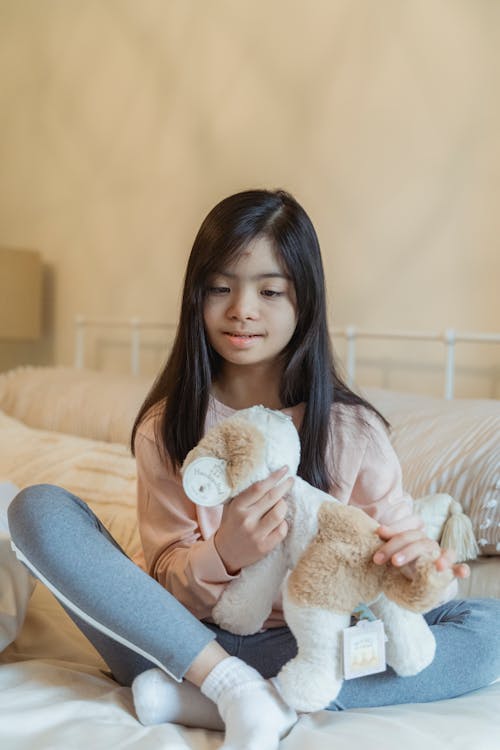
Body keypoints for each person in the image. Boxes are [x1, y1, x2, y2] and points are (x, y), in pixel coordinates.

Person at [7, 189, 498, 748]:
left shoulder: (353, 433)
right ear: (196, 297)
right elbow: (163, 581)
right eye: (220, 287)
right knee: (37, 507)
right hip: (178, 645)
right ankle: (228, 685)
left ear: (304, 303)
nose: (241, 308)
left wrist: (413, 567)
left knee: (489, 629)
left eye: (269, 291)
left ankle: (234, 700)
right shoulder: (168, 426)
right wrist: (226, 553)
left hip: (308, 643)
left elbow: (384, 568)